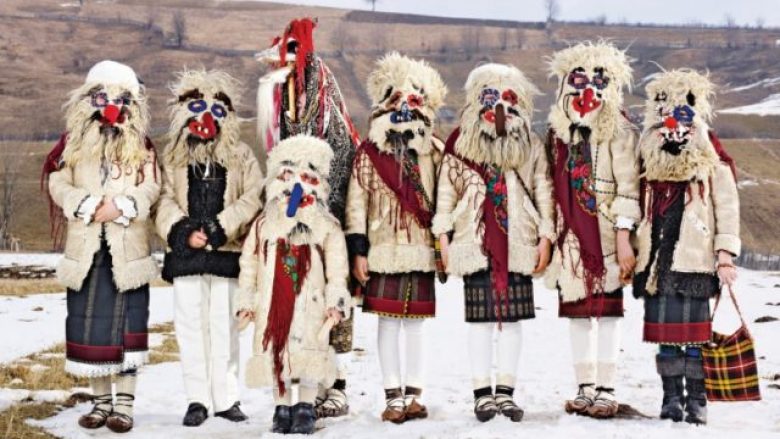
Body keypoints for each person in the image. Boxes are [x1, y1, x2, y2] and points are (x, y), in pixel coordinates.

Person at [43, 60, 160, 433]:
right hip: (87, 249)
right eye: (102, 95)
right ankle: (100, 402)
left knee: (126, 330)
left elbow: (152, 188)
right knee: (91, 327)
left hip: (127, 252)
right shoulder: (73, 145)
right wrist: (90, 205)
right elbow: (57, 183)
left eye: (119, 96)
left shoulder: (143, 148)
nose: (110, 103)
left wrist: (122, 206)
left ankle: (124, 405)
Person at [434, 63, 554, 423]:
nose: (499, 105)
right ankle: (481, 393)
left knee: (513, 321)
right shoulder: (460, 140)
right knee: (480, 322)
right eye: (491, 96)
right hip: (475, 239)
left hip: (518, 239)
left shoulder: (530, 142)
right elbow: (446, 190)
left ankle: (506, 391)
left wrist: (546, 235)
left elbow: (543, 188)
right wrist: (443, 234)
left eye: (507, 97)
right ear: (477, 99)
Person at [256, 17, 360, 417]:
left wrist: (325, 217)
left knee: (335, 298)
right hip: (292, 224)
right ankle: (303, 383)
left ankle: (337, 384)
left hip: (330, 221)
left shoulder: (325, 103)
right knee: (299, 302)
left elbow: (339, 160)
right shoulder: (281, 103)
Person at [154, 69, 263, 426]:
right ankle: (197, 398)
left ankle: (226, 397)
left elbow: (253, 196)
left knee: (224, 326)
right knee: (190, 327)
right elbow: (162, 199)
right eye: (198, 108)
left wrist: (221, 227)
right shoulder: (172, 157)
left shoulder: (242, 155)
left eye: (216, 111)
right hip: (187, 256)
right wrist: (182, 230)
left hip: (226, 253)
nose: (205, 118)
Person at [633, 69, 740, 425]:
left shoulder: (709, 150)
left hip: (694, 254)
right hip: (658, 254)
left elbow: (726, 204)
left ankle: (697, 399)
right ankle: (669, 398)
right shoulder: (647, 145)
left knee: (694, 339)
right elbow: (633, 197)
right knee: (666, 336)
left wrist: (725, 254)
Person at [345, 52, 446, 423]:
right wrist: (358, 250)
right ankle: (392, 396)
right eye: (395, 100)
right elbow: (356, 205)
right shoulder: (368, 155)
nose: (403, 108)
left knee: (416, 325)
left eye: (412, 101)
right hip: (382, 248)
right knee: (388, 323)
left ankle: (415, 394)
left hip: (419, 249)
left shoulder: (433, 152)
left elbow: (443, 198)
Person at [545, 41, 640, 418]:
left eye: (598, 83)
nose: (588, 91)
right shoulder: (556, 134)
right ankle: (584, 387)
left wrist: (623, 235)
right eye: (579, 81)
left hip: (605, 234)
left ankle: (607, 388)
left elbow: (629, 187)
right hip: (570, 236)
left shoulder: (618, 131)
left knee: (609, 313)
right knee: (579, 314)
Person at [236, 135, 352, 435]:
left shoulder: (327, 224)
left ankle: (305, 406)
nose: (294, 184)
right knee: (277, 351)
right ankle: (282, 406)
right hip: (272, 300)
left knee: (310, 351)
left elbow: (338, 267)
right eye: (288, 174)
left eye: (305, 176)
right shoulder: (264, 223)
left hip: (311, 301)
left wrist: (335, 300)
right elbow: (249, 262)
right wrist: (247, 299)